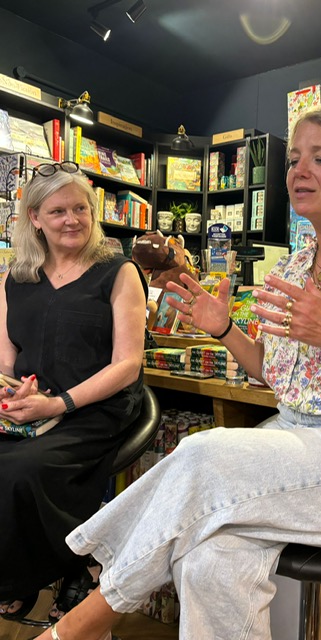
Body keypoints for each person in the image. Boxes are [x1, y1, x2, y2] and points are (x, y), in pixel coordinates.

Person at [35, 104, 321, 640]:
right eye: (293, 161)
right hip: (295, 442)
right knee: (208, 560)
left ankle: (81, 623)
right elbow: (278, 375)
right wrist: (224, 330)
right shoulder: (290, 267)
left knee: (201, 453)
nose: (299, 172)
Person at [0, 162, 147, 624]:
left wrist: (58, 404)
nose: (72, 219)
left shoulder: (117, 272)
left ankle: (44, 571)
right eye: (58, 210)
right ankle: (39, 567)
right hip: (29, 406)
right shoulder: (15, 277)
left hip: (95, 409)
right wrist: (10, 395)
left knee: (21, 470)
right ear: (35, 219)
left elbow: (128, 364)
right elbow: (6, 359)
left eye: (80, 208)